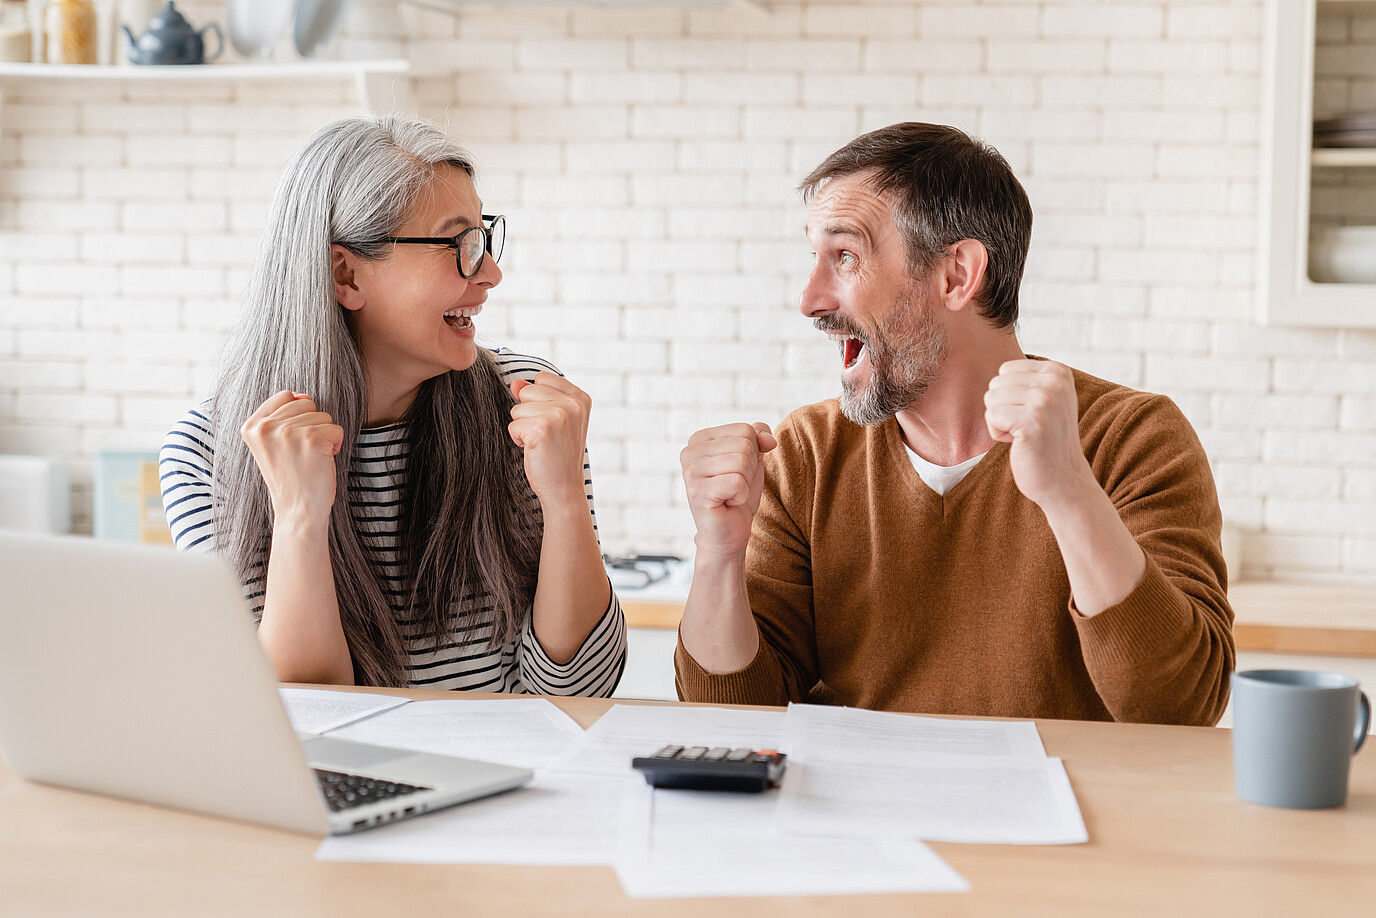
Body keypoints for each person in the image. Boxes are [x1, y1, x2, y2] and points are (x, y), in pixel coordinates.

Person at [675, 123, 1234, 725]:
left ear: (957, 275)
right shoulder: (808, 454)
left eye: (845, 256)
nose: (809, 299)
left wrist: (1070, 494)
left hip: (1067, 817)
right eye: (814, 257)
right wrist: (717, 554)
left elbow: (1180, 710)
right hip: (856, 813)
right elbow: (730, 717)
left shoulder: (1134, 438)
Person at [159, 115, 624, 696]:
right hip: (339, 787)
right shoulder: (208, 452)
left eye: (484, 238)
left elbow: (582, 691)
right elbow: (298, 716)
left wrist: (564, 501)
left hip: (514, 784)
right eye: (459, 244)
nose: (491, 273)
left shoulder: (524, 405)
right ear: (345, 273)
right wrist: (301, 518)